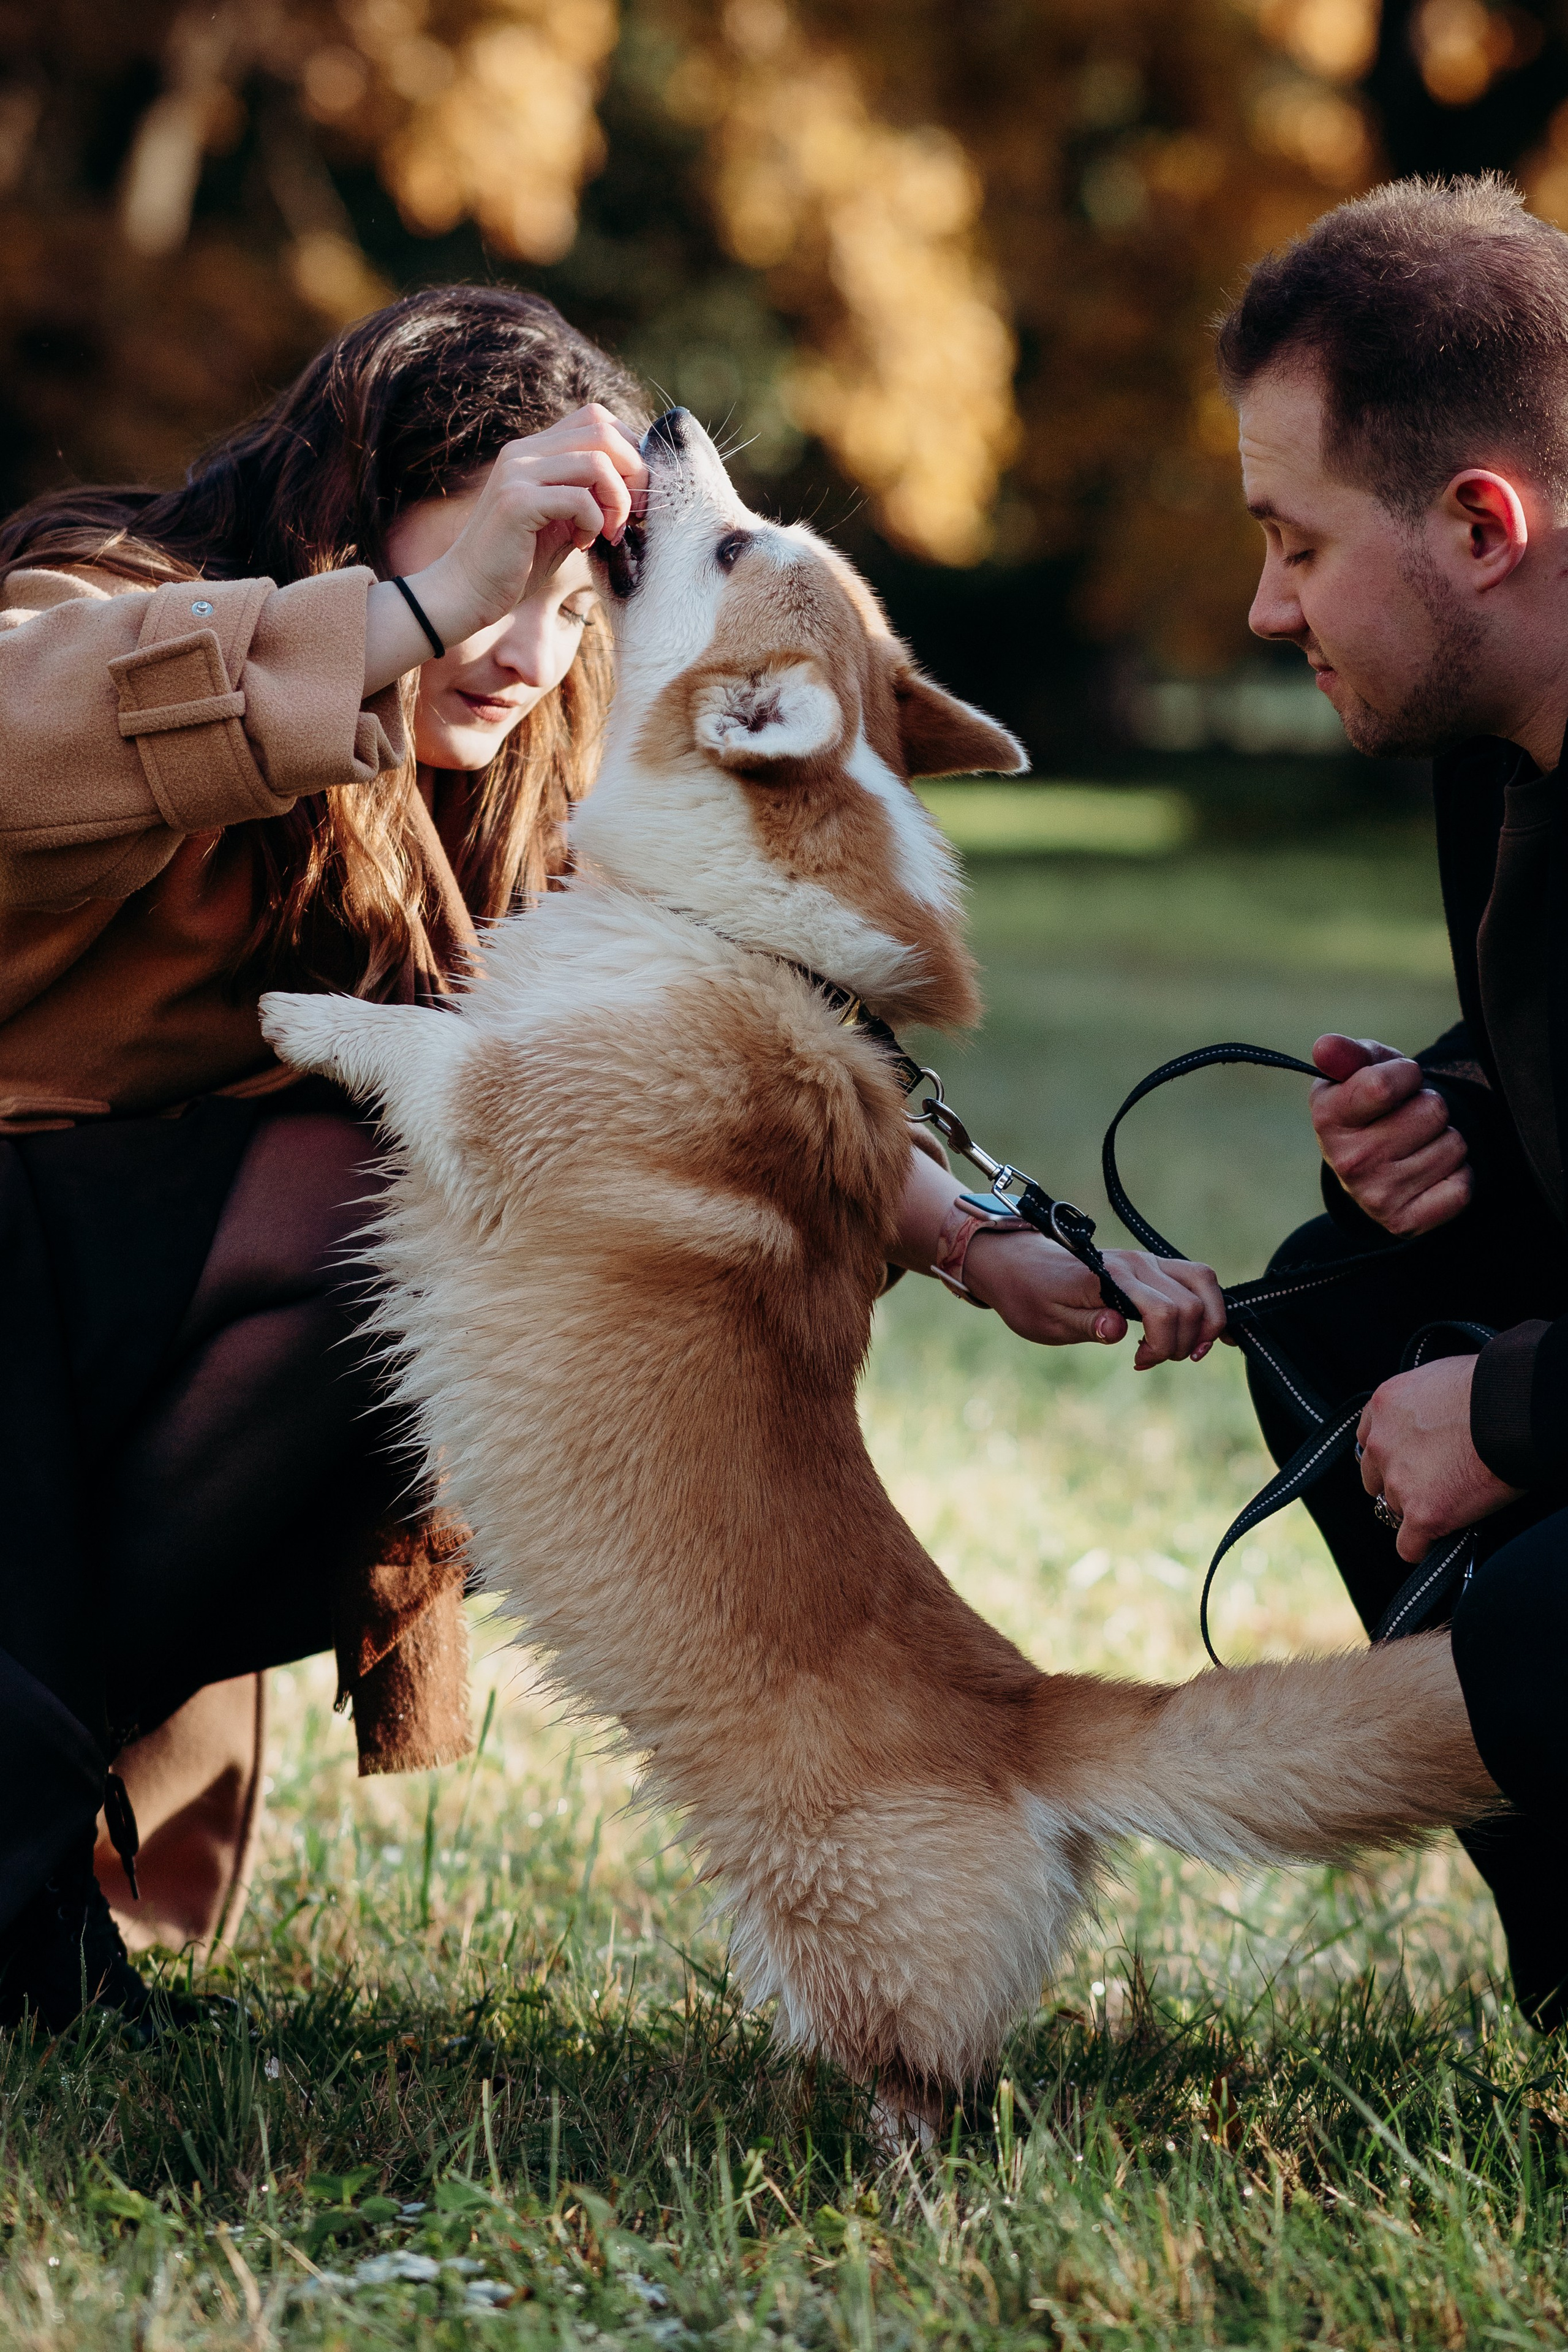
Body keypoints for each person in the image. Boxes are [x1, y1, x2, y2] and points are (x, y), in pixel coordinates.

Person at [0, 284, 1227, 2037]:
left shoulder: (502, 779)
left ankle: (23, 1819)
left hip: (107, 1403)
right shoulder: (123, 606)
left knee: (484, 1272)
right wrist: (414, 613)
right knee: (349, 1185)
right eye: (505, 565)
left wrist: (977, 1239)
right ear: (353, 514)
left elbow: (625, 1078)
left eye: (581, 599)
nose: (526, 639)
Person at [1217, 175, 1568, 2027]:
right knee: (1324, 1298)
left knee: (1538, 1613)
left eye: (1293, 540)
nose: (1266, 606)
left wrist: (1512, 1414)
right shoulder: (1495, 742)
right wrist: (1452, 1114)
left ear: (1481, 524)